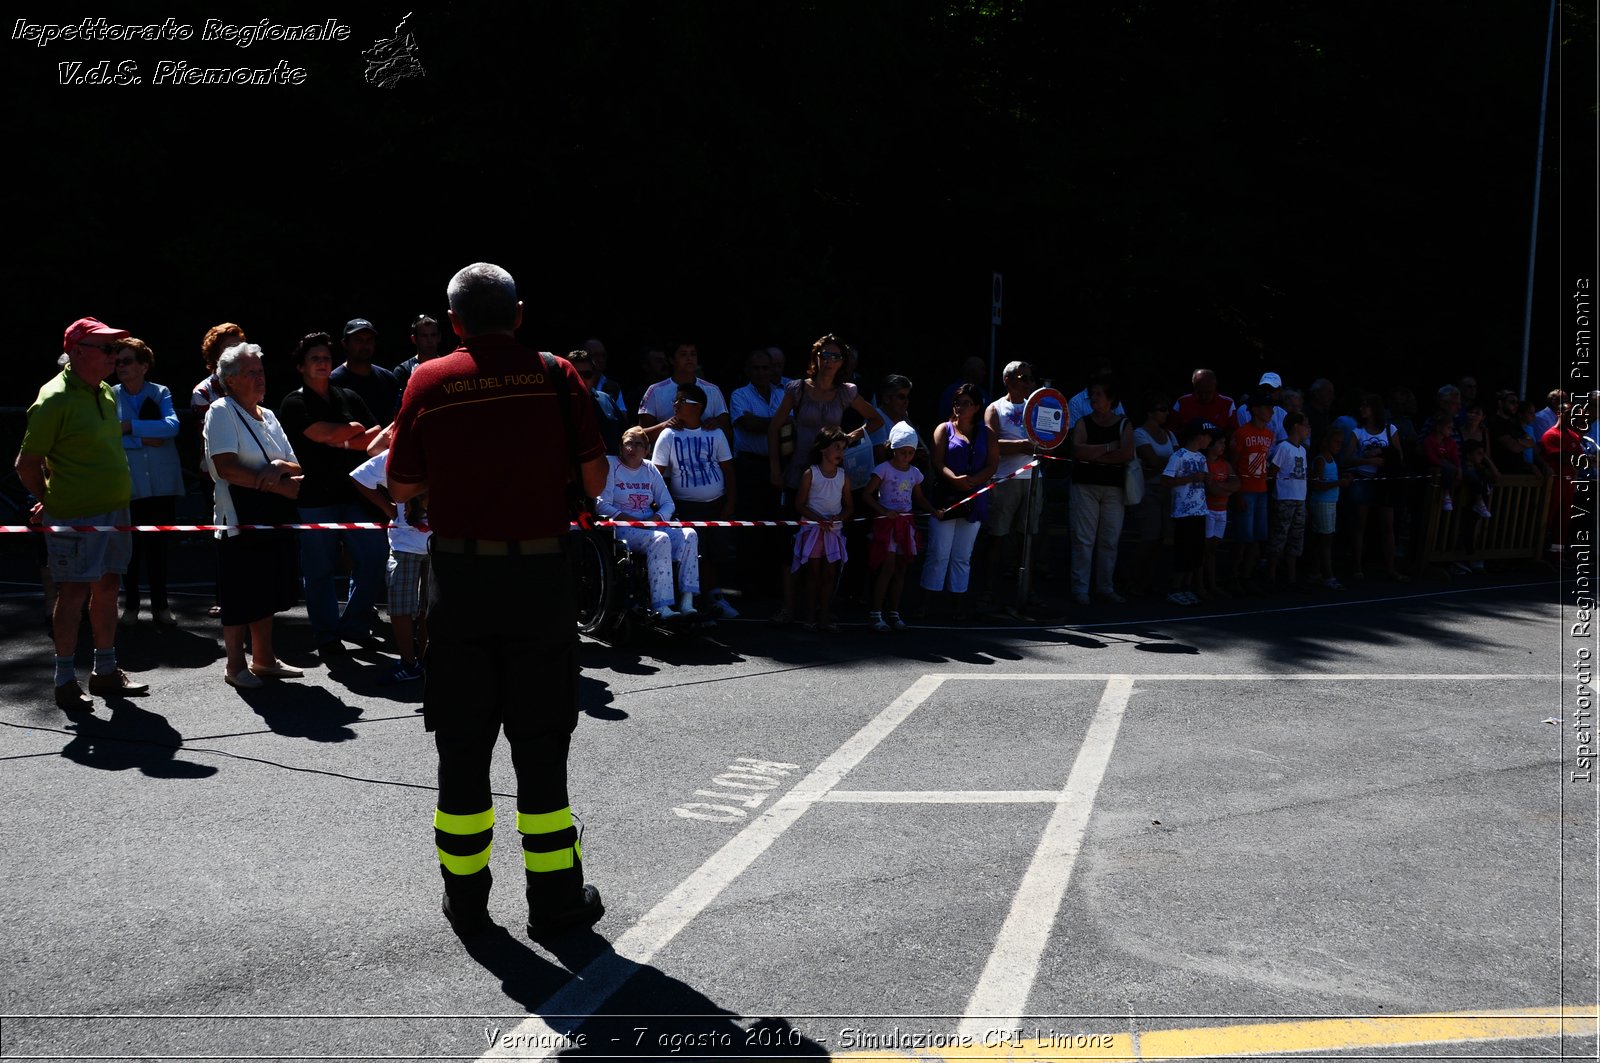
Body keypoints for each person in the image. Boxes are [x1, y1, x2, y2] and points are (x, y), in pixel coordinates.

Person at [387, 262, 608, 940]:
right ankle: (556, 903)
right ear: (518, 313)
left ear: (453, 322)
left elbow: (399, 486)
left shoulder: (428, 379)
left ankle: (467, 898)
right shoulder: (554, 373)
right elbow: (595, 477)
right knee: (541, 747)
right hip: (541, 583)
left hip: (461, 583)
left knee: (461, 744)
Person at [17, 317, 151, 710]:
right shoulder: (54, 398)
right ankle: (63, 679)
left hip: (115, 508)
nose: (115, 356)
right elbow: (26, 463)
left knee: (108, 587)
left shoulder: (106, 392)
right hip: (76, 515)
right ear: (77, 353)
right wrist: (50, 499)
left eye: (115, 349)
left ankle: (105, 671)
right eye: (106, 349)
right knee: (73, 592)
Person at [277, 332, 388, 655]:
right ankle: (327, 635)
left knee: (375, 555)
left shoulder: (348, 396)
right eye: (315, 358)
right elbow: (318, 432)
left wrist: (338, 438)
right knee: (320, 569)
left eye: (326, 358)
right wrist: (348, 432)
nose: (322, 363)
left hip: (354, 494)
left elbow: (374, 440)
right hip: (313, 498)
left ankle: (354, 624)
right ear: (301, 366)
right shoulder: (294, 402)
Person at [203, 344, 305, 688]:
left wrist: (278, 468)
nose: (260, 377)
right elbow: (226, 467)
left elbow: (296, 464)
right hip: (238, 518)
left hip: (271, 517)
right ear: (229, 380)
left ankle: (264, 659)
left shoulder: (270, 416)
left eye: (261, 371)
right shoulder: (221, 410)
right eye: (251, 372)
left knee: (266, 590)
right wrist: (281, 486)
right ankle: (235, 666)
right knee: (239, 593)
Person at [766, 334, 883, 622]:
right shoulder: (797, 389)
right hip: (797, 473)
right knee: (791, 547)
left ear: (843, 362)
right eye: (824, 355)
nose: (829, 362)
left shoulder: (846, 391)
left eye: (835, 357)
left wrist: (849, 437)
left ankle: (818, 611)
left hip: (830, 476)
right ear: (815, 357)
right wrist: (775, 469)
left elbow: (876, 419)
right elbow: (774, 428)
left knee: (826, 549)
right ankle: (789, 609)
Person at [112, 338, 183, 627]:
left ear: (143, 365)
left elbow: (171, 426)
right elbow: (106, 434)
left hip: (162, 484)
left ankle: (161, 607)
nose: (120, 367)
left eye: (127, 361)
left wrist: (129, 428)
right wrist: (145, 438)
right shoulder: (109, 394)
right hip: (128, 484)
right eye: (117, 362)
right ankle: (130, 607)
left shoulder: (160, 392)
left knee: (159, 549)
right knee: (130, 550)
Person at [651, 383, 737, 618]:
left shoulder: (715, 432)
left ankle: (713, 600)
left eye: (682, 401)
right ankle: (691, 602)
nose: (675, 405)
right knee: (692, 556)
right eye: (675, 401)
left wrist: (730, 502)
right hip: (685, 506)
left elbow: (728, 469)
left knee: (715, 554)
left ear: (698, 407)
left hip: (716, 504)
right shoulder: (668, 434)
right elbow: (657, 475)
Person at [350, 438, 431, 685]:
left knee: (431, 608)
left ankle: (426, 662)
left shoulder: (445, 449)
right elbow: (359, 476)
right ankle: (408, 661)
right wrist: (388, 507)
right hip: (404, 543)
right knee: (400, 607)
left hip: (439, 542)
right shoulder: (397, 455)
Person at [599, 426, 700, 618]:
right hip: (622, 527)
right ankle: (661, 606)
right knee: (660, 539)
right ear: (620, 447)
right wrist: (631, 520)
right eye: (628, 443)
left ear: (647, 450)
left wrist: (655, 519)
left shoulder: (650, 468)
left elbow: (668, 503)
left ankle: (687, 602)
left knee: (689, 534)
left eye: (638, 444)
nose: (632, 448)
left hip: (649, 524)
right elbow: (602, 505)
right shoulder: (610, 465)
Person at [919, 384, 998, 620]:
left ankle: (957, 604)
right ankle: (925, 603)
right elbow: (937, 462)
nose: (960, 406)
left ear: (976, 407)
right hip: (946, 497)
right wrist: (955, 479)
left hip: (973, 498)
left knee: (962, 555)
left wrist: (974, 481)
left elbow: (993, 464)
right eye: (957, 402)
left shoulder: (988, 433)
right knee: (938, 552)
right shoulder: (944, 429)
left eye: (965, 402)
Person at [981, 360, 1042, 606]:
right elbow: (989, 444)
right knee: (997, 536)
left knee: (1027, 538)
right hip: (1005, 480)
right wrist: (1022, 446)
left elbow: (1051, 439)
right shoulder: (994, 408)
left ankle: (1025, 591)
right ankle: (986, 592)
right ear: (1007, 380)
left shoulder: (1037, 407)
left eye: (1029, 377)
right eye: (1021, 377)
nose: (1027, 382)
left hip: (1033, 480)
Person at [1067, 380, 1134, 605]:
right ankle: (1080, 589)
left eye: (1098, 394)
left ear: (1110, 399)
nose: (1093, 398)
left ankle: (1105, 587)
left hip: (1114, 490)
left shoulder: (1124, 424)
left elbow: (1125, 454)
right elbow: (1078, 451)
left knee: (1109, 540)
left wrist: (1093, 455)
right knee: (1083, 539)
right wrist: (1108, 448)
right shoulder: (1083, 422)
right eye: (1092, 394)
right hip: (1084, 487)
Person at [862, 422, 931, 632]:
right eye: (903, 452)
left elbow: (919, 498)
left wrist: (935, 511)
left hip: (906, 524)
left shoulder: (915, 473)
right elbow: (867, 495)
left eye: (911, 453)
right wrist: (884, 512)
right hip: (887, 526)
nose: (907, 457)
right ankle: (875, 613)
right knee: (888, 568)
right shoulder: (883, 469)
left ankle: (894, 612)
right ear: (893, 449)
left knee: (902, 568)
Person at [791, 425, 852, 632]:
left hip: (832, 533)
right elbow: (799, 504)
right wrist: (818, 519)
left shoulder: (843, 476)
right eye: (837, 447)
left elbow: (849, 506)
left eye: (843, 448)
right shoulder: (811, 474)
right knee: (813, 575)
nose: (841, 452)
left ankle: (824, 615)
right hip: (812, 532)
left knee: (829, 575)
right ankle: (809, 616)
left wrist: (838, 518)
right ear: (823, 449)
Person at [1348, 393, 1405, 582]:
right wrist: (1368, 460)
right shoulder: (1358, 432)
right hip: (1363, 479)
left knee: (1388, 526)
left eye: (1367, 405)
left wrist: (1381, 452)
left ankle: (1391, 567)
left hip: (1385, 481)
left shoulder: (1390, 430)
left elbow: (1399, 456)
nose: (1362, 409)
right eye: (1361, 405)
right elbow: (1347, 458)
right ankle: (1356, 566)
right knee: (1359, 525)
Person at [1161, 420, 1214, 606]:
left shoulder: (1201, 458)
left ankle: (1187, 587)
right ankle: (1174, 588)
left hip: (1199, 510)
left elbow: (1206, 482)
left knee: (1196, 553)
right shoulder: (1179, 456)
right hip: (1183, 513)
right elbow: (1166, 480)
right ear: (1199, 437)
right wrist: (1189, 478)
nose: (1210, 440)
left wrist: (1207, 479)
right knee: (1183, 552)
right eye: (1208, 436)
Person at [1228, 396, 1276, 594]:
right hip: (1245, 491)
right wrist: (1237, 492)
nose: (1271, 412)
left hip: (1261, 491)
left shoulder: (1269, 434)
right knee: (1243, 538)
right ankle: (1232, 577)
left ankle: (1247, 576)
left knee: (1257, 537)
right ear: (1255, 410)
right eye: (1267, 407)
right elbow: (1232, 463)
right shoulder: (1241, 433)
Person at [637, 341, 729, 443]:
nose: (689, 358)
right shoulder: (655, 391)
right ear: (672, 360)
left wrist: (717, 426)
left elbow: (728, 432)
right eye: (683, 354)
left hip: (707, 457)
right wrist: (664, 426)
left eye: (693, 354)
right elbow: (641, 435)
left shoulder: (713, 390)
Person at [1129, 393, 1175, 597]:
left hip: (1167, 490)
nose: (1166, 413)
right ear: (1150, 412)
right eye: (1161, 409)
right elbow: (1154, 461)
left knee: (1160, 539)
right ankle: (1134, 581)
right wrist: (1169, 462)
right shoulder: (1140, 434)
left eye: (1167, 409)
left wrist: (1162, 464)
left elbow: (1166, 463)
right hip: (1149, 490)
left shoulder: (1170, 434)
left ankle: (1149, 581)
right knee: (1148, 538)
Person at [1266, 412, 1311, 588]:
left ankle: (1291, 578)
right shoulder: (1283, 447)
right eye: (1305, 424)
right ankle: (1271, 576)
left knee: (1296, 538)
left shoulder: (1302, 450)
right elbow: (1273, 472)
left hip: (1300, 499)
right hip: (1284, 499)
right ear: (1296, 426)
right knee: (1279, 537)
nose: (1308, 429)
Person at [1304, 425, 1350, 590]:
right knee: (1325, 540)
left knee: (1322, 539)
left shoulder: (1332, 460)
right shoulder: (1320, 460)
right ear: (1326, 442)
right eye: (1336, 442)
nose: (1339, 445)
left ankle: (1315, 572)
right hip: (1322, 503)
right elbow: (1316, 485)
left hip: (1331, 503)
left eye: (1340, 443)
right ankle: (1328, 576)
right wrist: (1338, 483)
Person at [332, 318, 401, 421]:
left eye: (369, 339)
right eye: (358, 339)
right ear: (345, 343)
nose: (365, 345)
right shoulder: (333, 382)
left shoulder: (388, 379)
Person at [1200, 432, 1238, 599]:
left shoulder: (1225, 464)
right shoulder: (1204, 463)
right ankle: (1200, 585)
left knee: (1213, 550)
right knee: (1204, 549)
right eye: (1220, 443)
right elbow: (1211, 489)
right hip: (1208, 510)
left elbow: (1237, 483)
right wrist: (1226, 489)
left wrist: (1221, 488)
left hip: (1222, 511)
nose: (1223, 446)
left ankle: (1212, 584)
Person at [391, 314, 444, 398]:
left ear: (439, 337)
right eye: (424, 336)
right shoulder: (403, 371)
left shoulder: (447, 366)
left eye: (433, 335)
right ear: (414, 339)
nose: (429, 340)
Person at [1173, 368, 1236, 434]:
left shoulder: (1227, 403)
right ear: (1194, 386)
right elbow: (1171, 431)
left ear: (1214, 386)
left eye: (1208, 392)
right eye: (1199, 392)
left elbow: (1234, 432)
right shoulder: (1182, 402)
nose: (1203, 396)